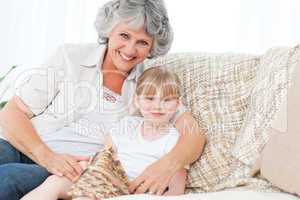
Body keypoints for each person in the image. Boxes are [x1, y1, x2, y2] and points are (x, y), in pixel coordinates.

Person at [0, 0, 206, 199]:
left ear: (152, 47)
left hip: (71, 171)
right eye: (124, 35)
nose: (130, 50)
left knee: (7, 178)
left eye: (142, 42)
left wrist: (165, 166)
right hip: (25, 146)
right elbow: (13, 111)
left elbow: (194, 134)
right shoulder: (70, 57)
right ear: (109, 31)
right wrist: (46, 156)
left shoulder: (149, 87)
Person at [21, 67, 188, 200]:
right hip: (106, 177)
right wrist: (90, 167)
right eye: (150, 99)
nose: (158, 106)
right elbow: (106, 153)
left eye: (167, 100)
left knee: (85, 196)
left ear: (178, 104)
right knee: (54, 182)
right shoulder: (128, 124)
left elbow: (176, 188)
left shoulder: (174, 140)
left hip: (131, 189)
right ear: (137, 101)